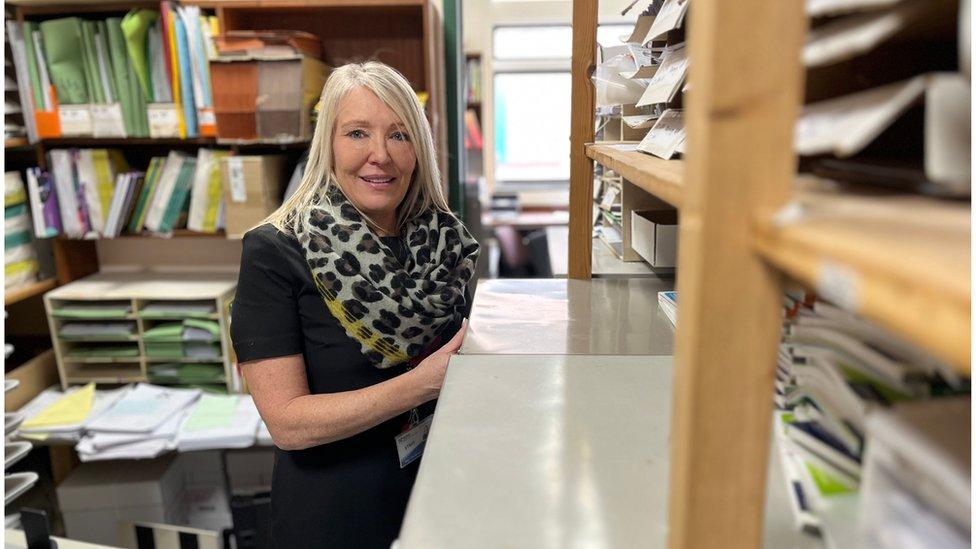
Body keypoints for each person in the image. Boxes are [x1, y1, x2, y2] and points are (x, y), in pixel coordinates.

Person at [230, 61, 480, 548]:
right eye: (358, 133)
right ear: (329, 144)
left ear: (419, 150)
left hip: (438, 494)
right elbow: (287, 422)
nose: (379, 156)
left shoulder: (444, 246)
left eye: (400, 136)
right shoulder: (275, 252)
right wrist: (422, 384)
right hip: (336, 516)